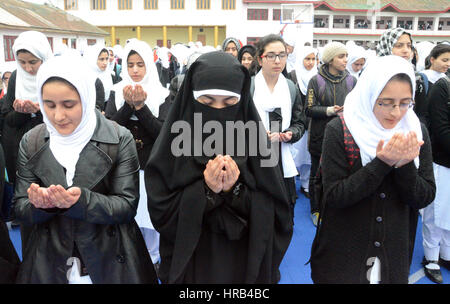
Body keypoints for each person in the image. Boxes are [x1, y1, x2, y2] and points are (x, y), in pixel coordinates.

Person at [145, 51, 293, 283]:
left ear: (242, 100)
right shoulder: (174, 143)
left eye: (229, 102)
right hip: (192, 262)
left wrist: (234, 191)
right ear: (191, 98)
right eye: (207, 102)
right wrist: (205, 191)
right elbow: (159, 209)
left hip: (244, 263)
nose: (218, 110)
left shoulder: (257, 143)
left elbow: (279, 212)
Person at [12, 54, 157, 284]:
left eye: (68, 105)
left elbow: (127, 205)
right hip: (51, 263)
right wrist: (41, 205)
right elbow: (20, 207)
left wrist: (81, 202)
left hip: (109, 261)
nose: (58, 116)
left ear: (87, 98)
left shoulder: (119, 138)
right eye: (49, 105)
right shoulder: (32, 141)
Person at [310, 55, 435, 284]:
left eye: (406, 102)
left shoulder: (416, 132)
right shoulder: (340, 130)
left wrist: (405, 166)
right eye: (385, 102)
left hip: (393, 256)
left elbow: (423, 196)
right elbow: (335, 196)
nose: (396, 112)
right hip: (344, 255)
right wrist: (382, 163)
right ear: (369, 95)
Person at [105, 39, 170, 270]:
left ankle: (152, 258)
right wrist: (127, 106)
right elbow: (110, 128)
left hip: (150, 165)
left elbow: (163, 133)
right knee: (125, 214)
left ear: (148, 66)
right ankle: (129, 258)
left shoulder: (162, 95)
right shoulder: (115, 91)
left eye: (140, 64)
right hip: (122, 165)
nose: (134, 70)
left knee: (149, 216)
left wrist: (141, 108)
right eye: (130, 64)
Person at [252, 34, 307, 219]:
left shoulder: (290, 88)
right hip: (253, 159)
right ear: (260, 59)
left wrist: (291, 133)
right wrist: (256, 135)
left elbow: (300, 122)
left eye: (282, 55)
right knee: (258, 211)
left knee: (284, 213)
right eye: (271, 55)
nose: (277, 60)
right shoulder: (248, 87)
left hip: (282, 158)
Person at [305, 41, 357, 226]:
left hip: (345, 136)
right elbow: (309, 109)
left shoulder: (351, 81)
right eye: (341, 56)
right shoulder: (316, 80)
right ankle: (316, 209)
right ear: (330, 59)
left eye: (346, 56)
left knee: (340, 174)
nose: (345, 60)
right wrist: (329, 110)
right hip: (320, 135)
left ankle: (335, 208)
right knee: (316, 175)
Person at [421, 56, 450, 284]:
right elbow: (441, 128)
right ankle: (431, 257)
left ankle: (447, 254)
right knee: (435, 212)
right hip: (442, 161)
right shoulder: (443, 87)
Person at [376, 27, 429, 127]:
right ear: (387, 46)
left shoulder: (416, 77)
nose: (406, 50)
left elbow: (421, 113)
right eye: (399, 46)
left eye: (409, 46)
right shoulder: (373, 75)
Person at [287, 46, 318, 197]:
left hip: (312, 123)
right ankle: (291, 184)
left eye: (313, 59)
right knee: (293, 155)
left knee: (307, 156)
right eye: (307, 59)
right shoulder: (293, 75)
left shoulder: (317, 77)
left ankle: (305, 185)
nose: (310, 63)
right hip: (296, 122)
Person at [84, 44, 113, 112]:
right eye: (101, 59)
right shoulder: (87, 77)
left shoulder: (108, 74)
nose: (105, 62)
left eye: (107, 59)